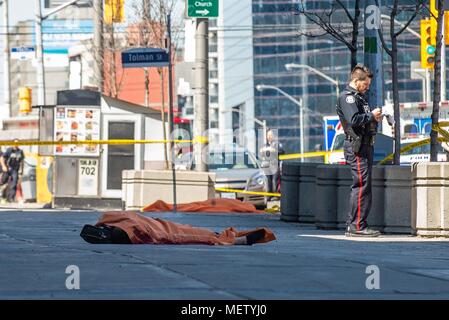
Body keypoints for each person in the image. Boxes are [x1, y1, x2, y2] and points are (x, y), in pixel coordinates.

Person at [336, 64, 383, 237]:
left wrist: (375, 118)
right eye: (366, 84)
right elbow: (354, 119)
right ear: (356, 81)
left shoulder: (359, 98)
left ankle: (359, 224)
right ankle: (356, 226)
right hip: (356, 146)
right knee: (361, 184)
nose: (367, 87)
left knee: (365, 185)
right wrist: (371, 115)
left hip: (365, 144)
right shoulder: (347, 98)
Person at [80, 211, 276, 246]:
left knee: (187, 231)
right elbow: (155, 234)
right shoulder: (114, 228)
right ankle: (231, 239)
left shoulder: (109, 223)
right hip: (157, 227)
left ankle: (230, 238)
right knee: (187, 233)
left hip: (154, 225)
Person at [259, 129, 285, 199]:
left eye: (270, 135)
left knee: (274, 181)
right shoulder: (265, 145)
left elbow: (282, 151)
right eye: (268, 135)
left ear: (274, 136)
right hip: (267, 166)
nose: (269, 137)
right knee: (268, 181)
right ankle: (269, 196)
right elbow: (261, 153)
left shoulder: (277, 144)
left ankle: (276, 195)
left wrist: (274, 150)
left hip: (275, 165)